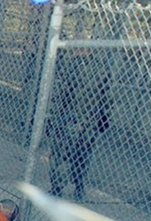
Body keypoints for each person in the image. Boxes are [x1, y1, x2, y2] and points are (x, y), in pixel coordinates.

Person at [46, 50, 111, 201]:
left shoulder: (73, 66)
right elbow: (106, 96)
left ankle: (57, 187)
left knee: (60, 154)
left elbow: (61, 94)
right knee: (82, 155)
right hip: (90, 120)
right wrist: (104, 118)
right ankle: (78, 186)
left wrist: (52, 117)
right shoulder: (102, 67)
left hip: (69, 119)